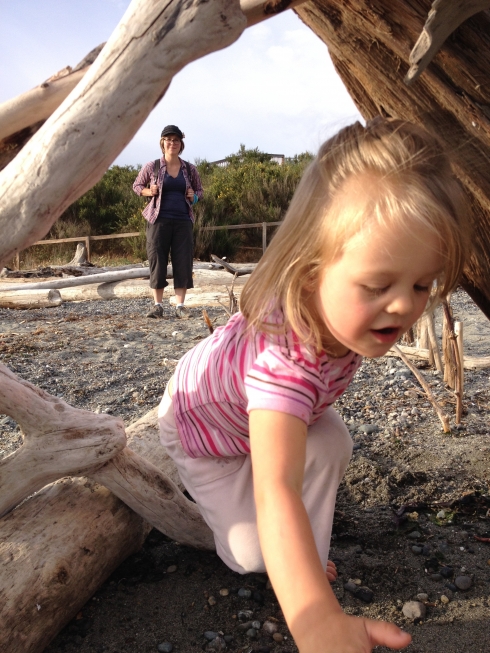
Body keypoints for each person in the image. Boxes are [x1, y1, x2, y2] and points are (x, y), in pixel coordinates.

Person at [158, 118, 470, 652]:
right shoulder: (284, 357)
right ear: (309, 272)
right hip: (202, 431)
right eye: (378, 285)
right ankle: (288, 570)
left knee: (331, 442)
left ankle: (305, 556)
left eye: (422, 283)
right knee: (252, 556)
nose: (404, 305)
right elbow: (276, 487)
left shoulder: (346, 315)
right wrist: (316, 623)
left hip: (265, 410)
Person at [133, 125, 204, 319]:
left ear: (181, 144)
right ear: (162, 142)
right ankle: (157, 306)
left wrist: (194, 197)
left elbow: (200, 191)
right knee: (158, 260)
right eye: (168, 140)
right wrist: (149, 191)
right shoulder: (153, 166)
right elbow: (137, 186)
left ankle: (180, 306)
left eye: (176, 140)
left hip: (183, 221)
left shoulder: (190, 169)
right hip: (158, 220)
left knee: (183, 261)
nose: (172, 143)